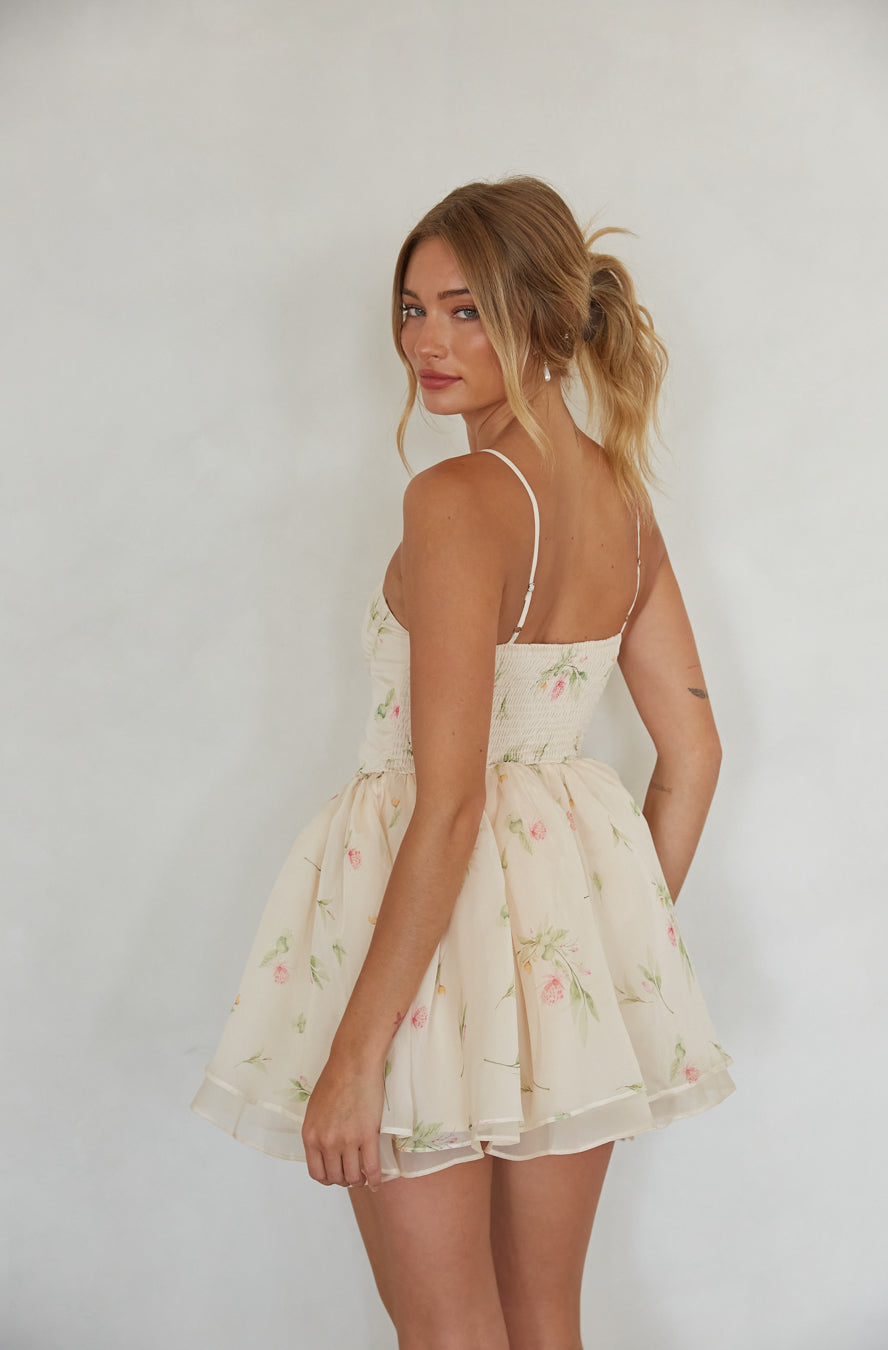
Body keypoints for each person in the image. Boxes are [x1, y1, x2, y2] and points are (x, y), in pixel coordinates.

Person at [190, 174, 735, 1349]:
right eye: (412, 308)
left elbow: (449, 804)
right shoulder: (622, 502)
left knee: (448, 1333)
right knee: (544, 1321)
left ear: (542, 319)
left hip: (419, 961)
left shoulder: (455, 498)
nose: (425, 342)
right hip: (554, 967)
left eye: (465, 310)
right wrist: (607, 949)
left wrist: (352, 1057)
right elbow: (692, 756)